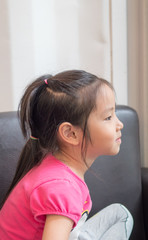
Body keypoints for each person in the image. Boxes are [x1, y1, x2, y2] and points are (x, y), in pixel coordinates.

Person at [0, 70, 133, 240]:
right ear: (71, 133)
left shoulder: (55, 166)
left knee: (120, 214)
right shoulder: (62, 187)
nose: (119, 124)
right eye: (108, 117)